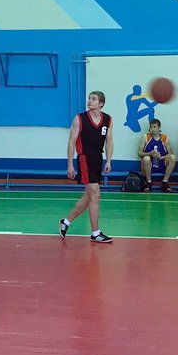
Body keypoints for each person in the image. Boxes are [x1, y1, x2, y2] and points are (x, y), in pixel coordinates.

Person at [59, 91, 114, 243]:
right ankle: (95, 233)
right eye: (89, 98)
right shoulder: (79, 119)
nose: (89, 101)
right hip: (84, 158)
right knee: (96, 194)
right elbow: (71, 142)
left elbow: (109, 141)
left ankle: (66, 222)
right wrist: (70, 164)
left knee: (88, 197)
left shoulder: (108, 119)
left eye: (93, 99)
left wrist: (109, 160)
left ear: (101, 103)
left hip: (98, 159)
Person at [138, 118, 177, 192]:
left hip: (161, 162)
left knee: (173, 157)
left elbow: (171, 153)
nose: (152, 129)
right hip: (149, 164)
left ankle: (164, 182)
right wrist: (150, 153)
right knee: (146, 158)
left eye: (154, 127)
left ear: (159, 128)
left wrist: (161, 157)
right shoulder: (146, 137)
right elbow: (139, 153)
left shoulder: (165, 138)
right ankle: (149, 183)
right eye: (151, 127)